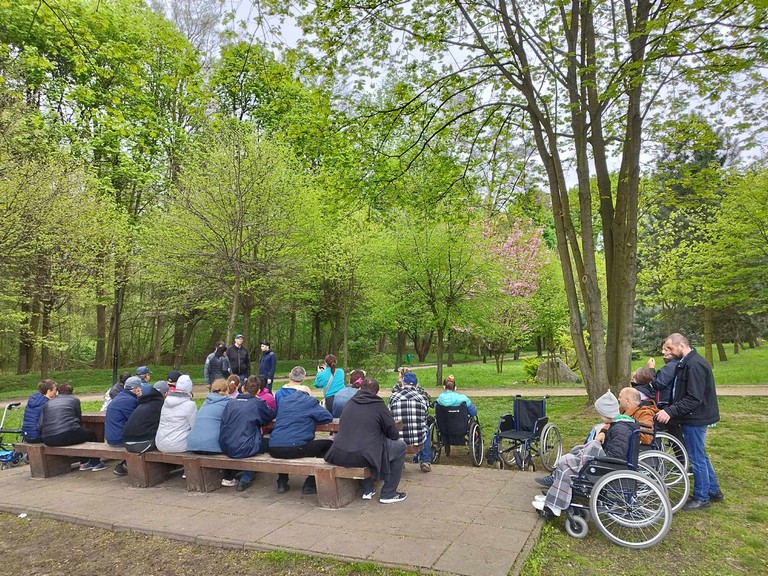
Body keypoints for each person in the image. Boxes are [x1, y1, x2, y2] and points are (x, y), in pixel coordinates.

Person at [533, 390, 639, 517]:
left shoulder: (619, 429)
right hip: (609, 464)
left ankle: (555, 504)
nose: (599, 417)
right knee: (570, 457)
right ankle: (554, 499)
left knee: (566, 465)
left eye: (600, 414)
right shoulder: (622, 425)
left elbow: (616, 456)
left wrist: (595, 449)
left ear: (606, 413)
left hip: (606, 468)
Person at [656, 333, 723, 510]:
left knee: (696, 457)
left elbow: (694, 398)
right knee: (700, 454)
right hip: (691, 416)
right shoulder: (685, 363)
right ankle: (714, 491)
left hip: (696, 418)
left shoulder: (695, 365)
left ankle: (702, 498)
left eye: (669, 348)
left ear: (682, 345)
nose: (665, 352)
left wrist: (670, 411)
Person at [325, 379, 408, 504]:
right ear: (376, 392)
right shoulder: (378, 405)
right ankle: (388, 493)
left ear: (360, 389)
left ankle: (367, 489)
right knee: (400, 446)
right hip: (363, 455)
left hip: (338, 454)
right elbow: (393, 434)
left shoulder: (350, 403)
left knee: (362, 446)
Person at [268, 382, 333, 494]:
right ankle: (310, 484)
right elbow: (327, 417)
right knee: (329, 445)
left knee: (284, 443)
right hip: (296, 447)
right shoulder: (310, 401)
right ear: (308, 394)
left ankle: (282, 482)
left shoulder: (284, 401)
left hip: (274, 447)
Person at [219, 376, 276, 492]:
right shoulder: (257, 403)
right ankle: (246, 478)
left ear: (243, 388)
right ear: (258, 391)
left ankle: (230, 475)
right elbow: (271, 415)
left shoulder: (230, 403)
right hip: (247, 446)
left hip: (226, 444)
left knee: (240, 438)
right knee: (268, 443)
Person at [187, 378, 238, 487]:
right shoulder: (229, 403)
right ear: (227, 390)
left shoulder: (205, 402)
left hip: (193, 443)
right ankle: (228, 477)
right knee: (232, 443)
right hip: (212, 445)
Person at [39, 383, 102, 471]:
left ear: (58, 392)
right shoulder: (74, 400)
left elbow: (41, 424)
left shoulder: (48, 403)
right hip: (67, 434)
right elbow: (78, 418)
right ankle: (96, 463)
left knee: (79, 435)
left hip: (48, 439)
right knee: (91, 435)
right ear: (71, 392)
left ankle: (84, 462)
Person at [388, 372, 431, 472]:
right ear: (416, 384)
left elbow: (389, 416)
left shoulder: (394, 397)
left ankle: (399, 461)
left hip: (398, 438)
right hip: (418, 438)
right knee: (426, 429)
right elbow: (425, 416)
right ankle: (425, 461)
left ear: (403, 383)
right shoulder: (422, 397)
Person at [105, 376, 142, 475]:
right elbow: (136, 421)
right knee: (147, 439)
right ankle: (125, 466)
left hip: (111, 437)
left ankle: (124, 465)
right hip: (119, 439)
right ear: (137, 389)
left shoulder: (121, 396)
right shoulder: (130, 400)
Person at [123, 381, 170, 453]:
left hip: (126, 442)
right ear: (166, 394)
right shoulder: (160, 405)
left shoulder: (143, 403)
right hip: (141, 444)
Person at [155, 375, 197, 453]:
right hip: (178, 445)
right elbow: (195, 427)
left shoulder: (166, 401)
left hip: (160, 443)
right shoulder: (190, 405)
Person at [21, 379, 57, 444]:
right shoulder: (47, 403)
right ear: (49, 391)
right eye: (55, 389)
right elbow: (42, 424)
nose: (56, 391)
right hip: (37, 436)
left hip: (26, 435)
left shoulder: (34, 399)